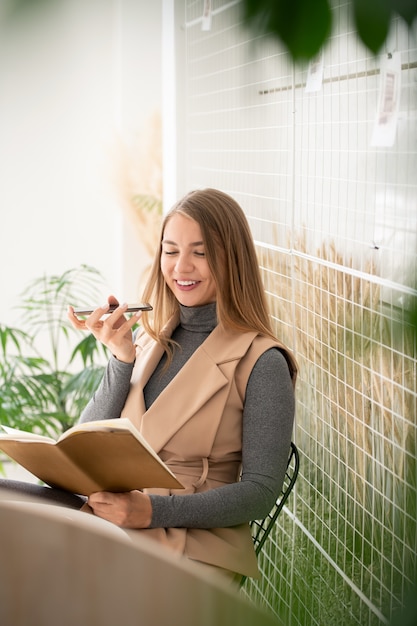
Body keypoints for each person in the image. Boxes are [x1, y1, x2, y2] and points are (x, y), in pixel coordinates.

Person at [1, 188, 297, 582]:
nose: (181, 267)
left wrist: (152, 512)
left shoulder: (263, 362)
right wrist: (121, 361)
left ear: (233, 257)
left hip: (190, 543)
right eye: (171, 251)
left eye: (201, 252)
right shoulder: (149, 341)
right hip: (112, 518)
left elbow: (261, 491)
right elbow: (83, 443)